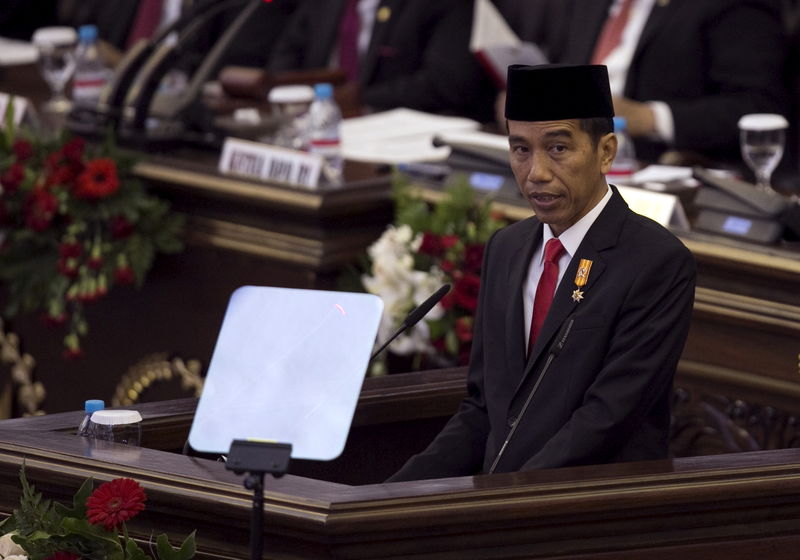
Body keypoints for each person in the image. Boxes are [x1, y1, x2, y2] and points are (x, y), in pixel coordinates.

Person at [389, 64, 696, 481]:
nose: (536, 173)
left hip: (594, 506)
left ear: (606, 151)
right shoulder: (507, 248)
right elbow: (483, 409)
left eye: (557, 149)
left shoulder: (654, 261)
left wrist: (505, 498)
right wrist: (393, 492)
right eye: (520, 150)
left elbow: (606, 419)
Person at [497, 0, 789, 166]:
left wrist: (651, 119)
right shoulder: (586, 6)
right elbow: (561, 71)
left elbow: (756, 107)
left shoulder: (732, 7)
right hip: (567, 160)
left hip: (664, 167)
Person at [267, 0, 495, 122]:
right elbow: (285, 57)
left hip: (401, 131)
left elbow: (448, 82)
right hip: (314, 123)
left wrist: (360, 99)